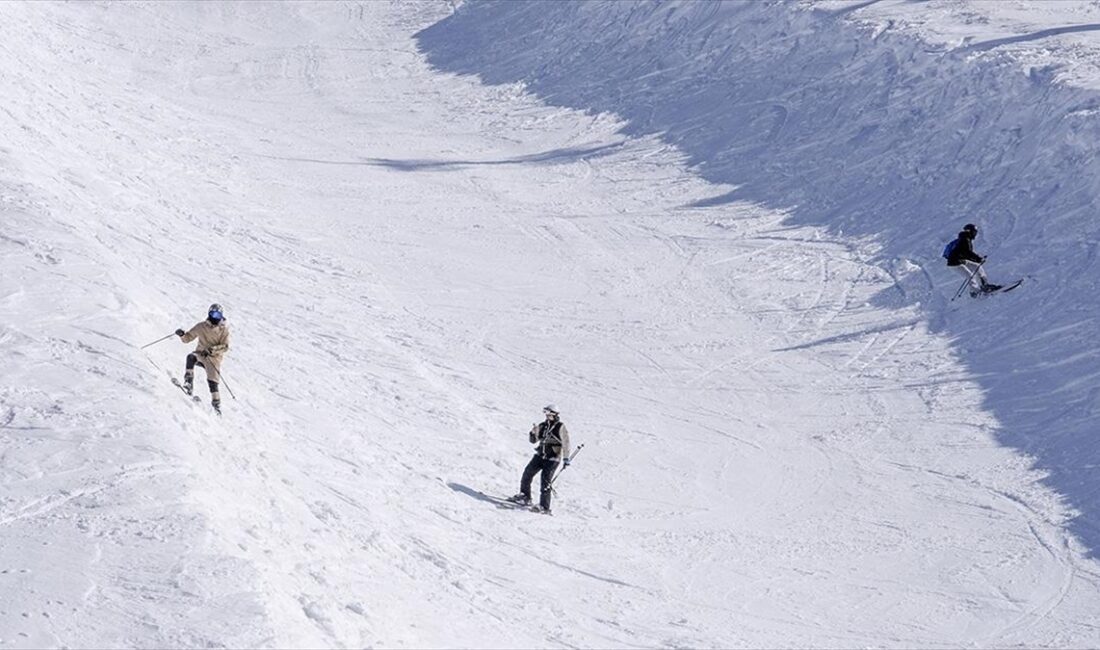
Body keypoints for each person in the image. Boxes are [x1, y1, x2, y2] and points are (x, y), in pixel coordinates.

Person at [510, 405, 571, 513]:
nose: (547, 416)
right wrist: (533, 433)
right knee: (527, 474)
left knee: (545, 481)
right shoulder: (543, 425)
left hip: (553, 458)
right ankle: (525, 496)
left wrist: (566, 458)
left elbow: (566, 442)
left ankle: (544, 506)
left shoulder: (560, 426)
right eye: (546, 414)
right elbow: (533, 441)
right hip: (540, 455)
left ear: (555, 414)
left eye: (549, 414)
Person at [175, 303, 230, 413]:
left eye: (217, 315)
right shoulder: (201, 326)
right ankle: (188, 384)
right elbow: (188, 338)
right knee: (191, 357)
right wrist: (182, 335)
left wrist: (211, 350)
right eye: (213, 314)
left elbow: (225, 346)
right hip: (200, 354)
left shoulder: (223, 330)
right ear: (209, 314)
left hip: (213, 359)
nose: (215, 317)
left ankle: (216, 405)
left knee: (213, 383)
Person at [946, 223, 1001, 297]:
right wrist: (978, 259)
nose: (975, 234)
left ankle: (984, 285)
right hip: (954, 263)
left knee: (977, 266)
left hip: (961, 261)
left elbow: (966, 254)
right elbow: (967, 253)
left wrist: (977, 260)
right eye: (974, 232)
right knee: (970, 275)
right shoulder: (964, 240)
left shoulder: (965, 239)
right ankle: (975, 292)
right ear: (970, 231)